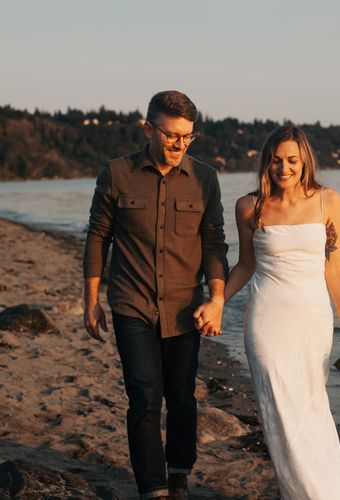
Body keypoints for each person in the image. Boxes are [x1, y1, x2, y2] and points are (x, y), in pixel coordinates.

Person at [83, 90, 228, 500]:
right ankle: (153, 488)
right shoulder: (116, 173)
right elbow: (98, 237)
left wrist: (216, 298)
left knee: (182, 395)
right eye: (171, 135)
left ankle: (179, 469)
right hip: (132, 303)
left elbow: (215, 243)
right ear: (148, 129)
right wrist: (90, 299)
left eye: (187, 136)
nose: (179, 144)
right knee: (144, 394)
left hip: (185, 308)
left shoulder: (205, 179)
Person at [223, 125, 340, 499]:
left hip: (312, 322)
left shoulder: (327, 201)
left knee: (311, 412)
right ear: (265, 163)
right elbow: (245, 265)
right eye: (275, 160)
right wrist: (216, 300)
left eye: (291, 160)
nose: (283, 168)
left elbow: (334, 269)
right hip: (267, 322)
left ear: (305, 161)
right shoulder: (249, 206)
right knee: (281, 414)